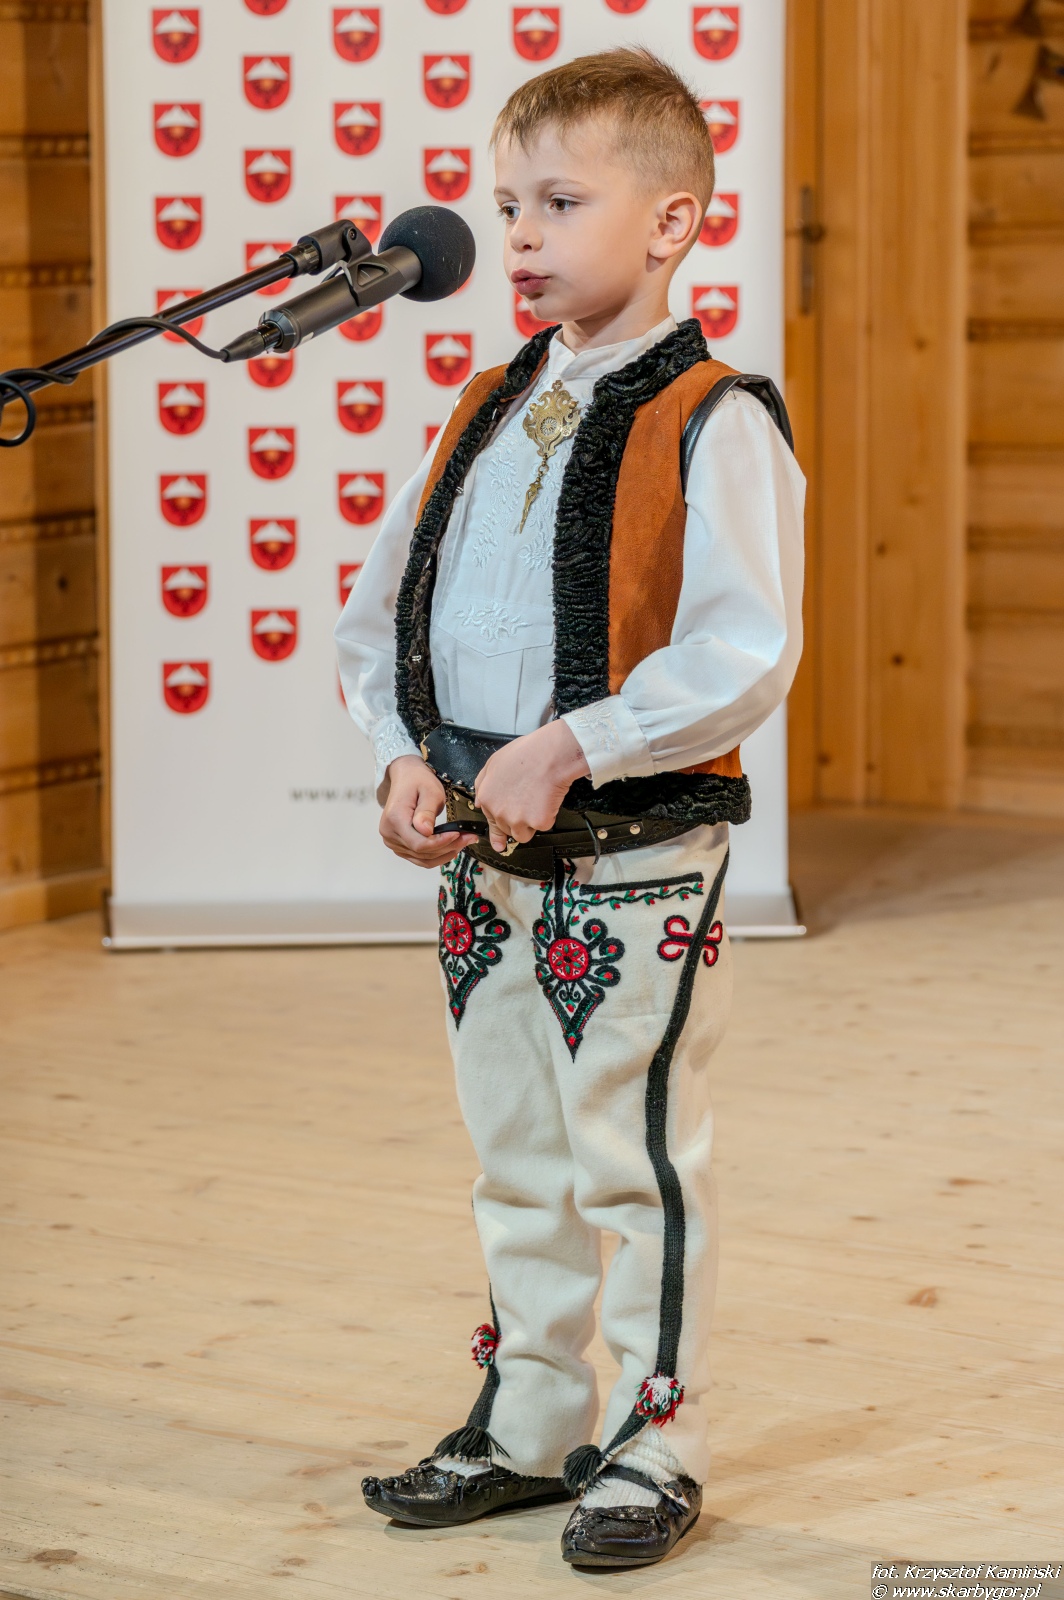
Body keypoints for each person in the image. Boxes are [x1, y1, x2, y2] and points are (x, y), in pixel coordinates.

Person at [335, 46, 805, 1571]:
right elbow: (386, 610)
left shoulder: (716, 417)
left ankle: (655, 1436)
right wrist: (405, 747)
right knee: (517, 1150)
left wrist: (578, 745)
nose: (520, 238)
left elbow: (743, 649)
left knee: (635, 1154)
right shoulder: (483, 406)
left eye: (558, 203)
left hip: (633, 859)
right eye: (504, 207)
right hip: (481, 860)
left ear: (671, 223)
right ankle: (532, 1418)